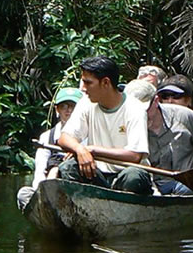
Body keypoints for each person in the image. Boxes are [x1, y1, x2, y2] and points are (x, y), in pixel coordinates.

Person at [57, 56, 153, 195]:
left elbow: (134, 156)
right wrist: (80, 149)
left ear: (106, 83)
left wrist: (93, 150)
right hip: (97, 173)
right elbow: (64, 137)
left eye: (88, 83)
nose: (83, 89)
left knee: (133, 176)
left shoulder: (134, 108)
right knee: (68, 167)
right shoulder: (86, 103)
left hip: (126, 175)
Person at [16, 87, 83, 210]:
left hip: (79, 190)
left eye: (73, 106)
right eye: (64, 106)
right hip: (51, 188)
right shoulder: (47, 137)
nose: (69, 110)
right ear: (57, 110)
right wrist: (42, 191)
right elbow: (40, 171)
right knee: (24, 194)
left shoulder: (89, 134)